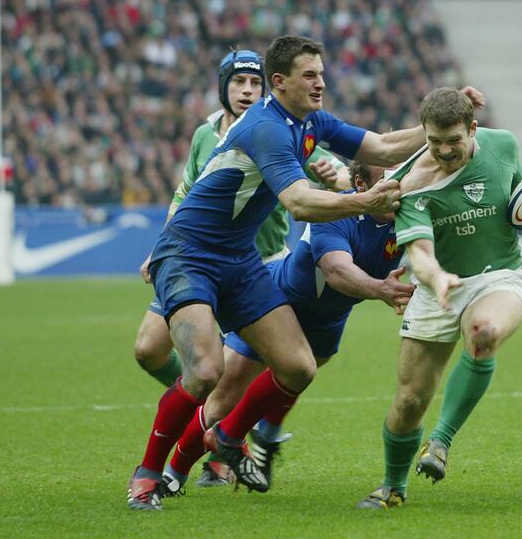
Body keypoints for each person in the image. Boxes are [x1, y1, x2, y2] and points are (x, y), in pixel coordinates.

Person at [127, 35, 484, 509]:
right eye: (310, 75)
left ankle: (228, 438)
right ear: (280, 82)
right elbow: (298, 201)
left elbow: (381, 146)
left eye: (321, 73)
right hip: (190, 252)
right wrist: (364, 201)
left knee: (298, 367)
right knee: (207, 370)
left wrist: (441, 121)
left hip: (239, 260)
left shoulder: (311, 121)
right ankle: (148, 475)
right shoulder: (267, 127)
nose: (321, 83)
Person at [130, 49, 350, 487]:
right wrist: (161, 245)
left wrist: (343, 182)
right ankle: (212, 415)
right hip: (193, 255)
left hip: (258, 263)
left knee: (225, 371)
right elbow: (186, 190)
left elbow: (337, 171)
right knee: (150, 349)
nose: (247, 91)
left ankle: (195, 454)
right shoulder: (205, 134)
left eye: (254, 83)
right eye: (238, 82)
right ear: (223, 87)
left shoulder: (283, 129)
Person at [357, 88, 522, 509]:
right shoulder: (408, 185)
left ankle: (440, 441)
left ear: (473, 129)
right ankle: (393, 486)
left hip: (499, 276)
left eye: (453, 141)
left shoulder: (504, 146)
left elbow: (520, 210)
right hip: (438, 286)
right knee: (409, 401)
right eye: (434, 141)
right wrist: (437, 277)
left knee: (484, 331)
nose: (444, 150)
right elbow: (420, 255)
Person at [157, 162, 416, 495]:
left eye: (401, 178)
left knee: (292, 379)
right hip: (277, 304)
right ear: (361, 185)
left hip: (329, 320)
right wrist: (381, 289)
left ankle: (263, 434)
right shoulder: (334, 210)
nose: (397, 186)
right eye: (388, 180)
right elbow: (337, 271)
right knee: (224, 397)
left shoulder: (410, 216)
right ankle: (173, 474)